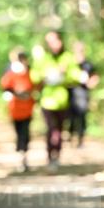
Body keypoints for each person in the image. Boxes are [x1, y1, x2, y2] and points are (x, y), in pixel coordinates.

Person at [30, 30, 81, 169]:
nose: (53, 44)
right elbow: (34, 76)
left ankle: (57, 155)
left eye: (55, 41)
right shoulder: (43, 59)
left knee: (59, 129)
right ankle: (50, 155)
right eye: (50, 42)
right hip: (47, 101)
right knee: (51, 129)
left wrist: (64, 75)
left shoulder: (68, 57)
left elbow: (76, 76)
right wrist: (46, 75)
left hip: (63, 100)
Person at [1, 48, 36, 171]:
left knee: (25, 133)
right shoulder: (11, 73)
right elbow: (5, 85)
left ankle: (23, 155)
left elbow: (35, 85)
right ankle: (20, 154)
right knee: (19, 132)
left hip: (27, 109)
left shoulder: (29, 72)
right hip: (15, 109)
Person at [69, 41, 100, 147]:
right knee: (70, 117)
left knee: (82, 117)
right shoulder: (70, 63)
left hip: (83, 94)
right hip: (70, 94)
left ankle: (80, 139)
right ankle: (71, 137)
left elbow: (95, 77)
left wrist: (90, 83)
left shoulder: (88, 64)